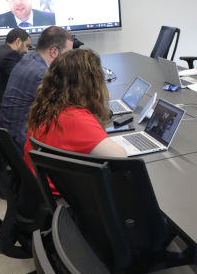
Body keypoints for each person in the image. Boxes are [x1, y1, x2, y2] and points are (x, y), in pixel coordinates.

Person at [23, 49, 126, 182]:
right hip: (63, 194)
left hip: (40, 187)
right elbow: (120, 158)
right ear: (90, 84)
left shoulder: (45, 106)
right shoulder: (75, 118)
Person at [0, 26, 74, 150]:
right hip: (21, 140)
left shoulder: (29, 60)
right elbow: (65, 107)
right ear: (54, 52)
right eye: (68, 54)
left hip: (9, 134)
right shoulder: (42, 74)